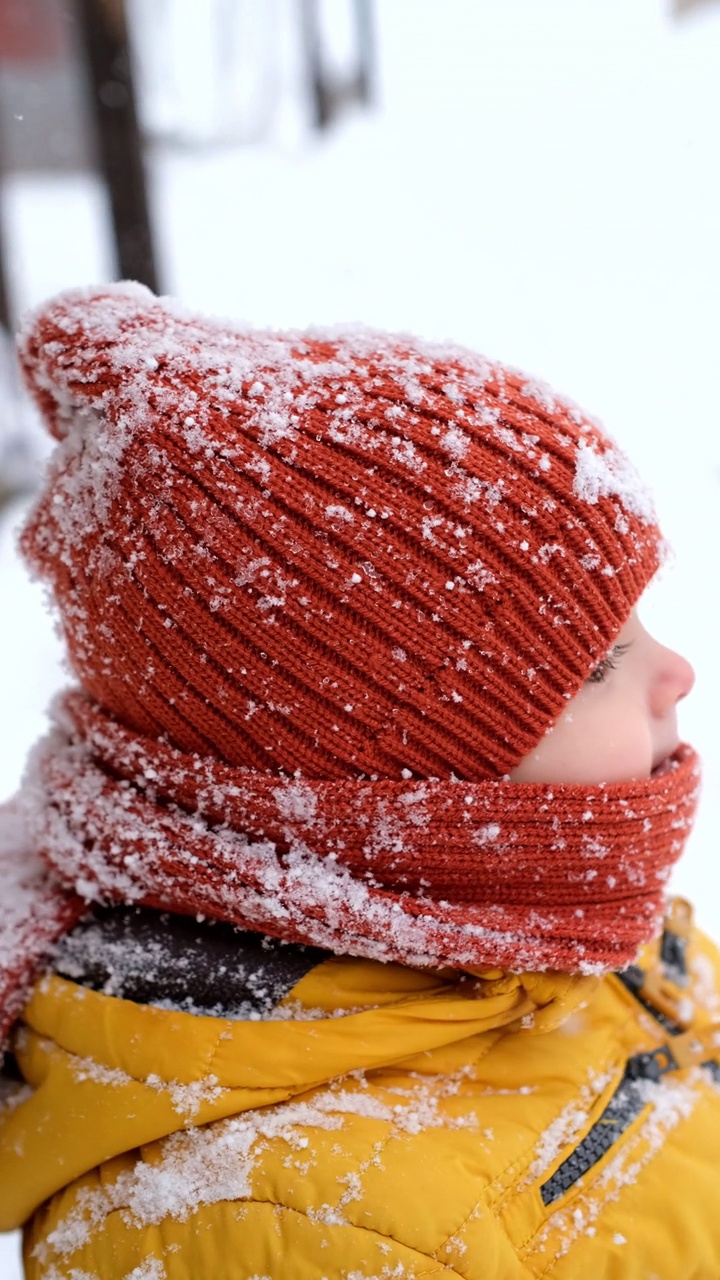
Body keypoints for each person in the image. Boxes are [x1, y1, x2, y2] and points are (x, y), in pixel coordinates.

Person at [0, 282, 718, 1280]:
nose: (676, 669)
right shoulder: (274, 1227)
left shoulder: (539, 918)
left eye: (638, 618)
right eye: (595, 664)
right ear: (383, 797)